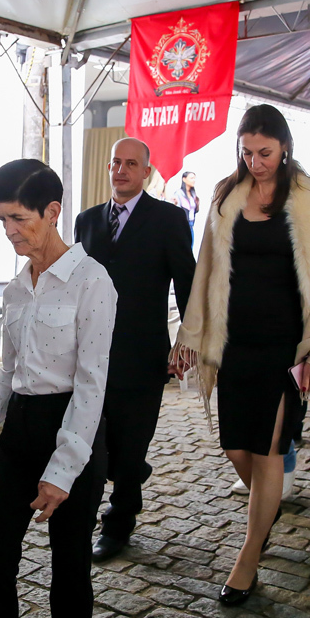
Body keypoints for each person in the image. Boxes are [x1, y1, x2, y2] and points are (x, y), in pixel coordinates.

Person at [171, 104, 310, 603]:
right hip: (234, 340)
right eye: (247, 152)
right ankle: (266, 508)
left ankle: (248, 557)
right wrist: (190, 335)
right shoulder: (227, 194)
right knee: (235, 446)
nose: (255, 161)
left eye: (264, 152)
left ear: (284, 147)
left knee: (268, 450)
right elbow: (206, 269)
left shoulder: (308, 198)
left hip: (284, 343)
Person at [0, 159, 115, 618]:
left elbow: (92, 385)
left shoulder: (92, 282)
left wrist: (63, 470)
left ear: (53, 212)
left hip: (73, 431)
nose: (9, 231)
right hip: (21, 433)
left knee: (68, 573)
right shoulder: (15, 290)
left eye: (19, 219)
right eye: (2, 220)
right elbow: (8, 378)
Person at [74, 138, 194, 562]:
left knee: (131, 443)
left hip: (142, 353)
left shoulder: (168, 219)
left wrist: (188, 341)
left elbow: (187, 280)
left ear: (146, 172)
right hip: (90, 354)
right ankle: (88, 509)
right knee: (92, 440)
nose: (121, 170)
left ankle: (119, 522)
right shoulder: (87, 221)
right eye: (115, 163)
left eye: (130, 164)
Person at [172, 170, 200, 239]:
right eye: (191, 178)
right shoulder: (179, 193)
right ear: (184, 179)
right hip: (182, 224)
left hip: (191, 224)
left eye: (194, 178)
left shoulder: (193, 194)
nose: (194, 180)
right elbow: (177, 209)